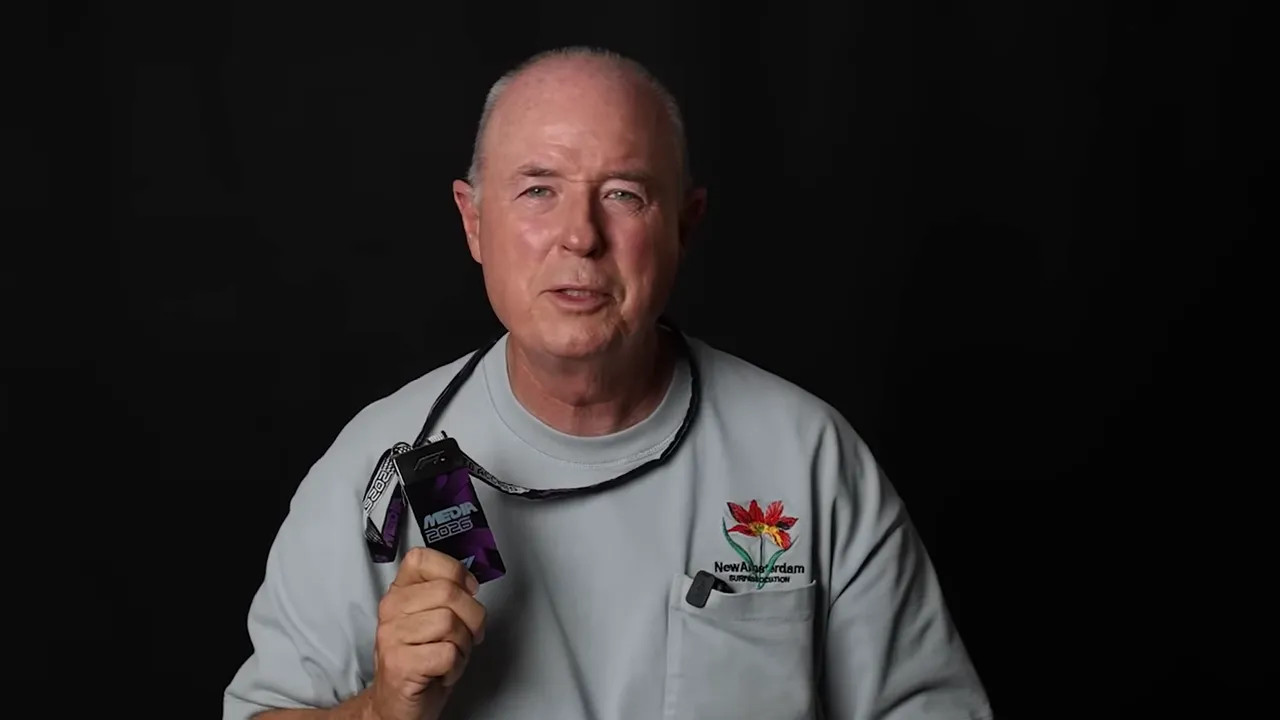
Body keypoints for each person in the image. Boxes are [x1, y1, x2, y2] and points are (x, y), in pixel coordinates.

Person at [223, 46, 993, 720]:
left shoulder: (807, 459)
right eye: (537, 189)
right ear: (473, 222)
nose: (581, 235)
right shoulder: (379, 464)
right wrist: (382, 714)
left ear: (684, 227)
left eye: (624, 192)